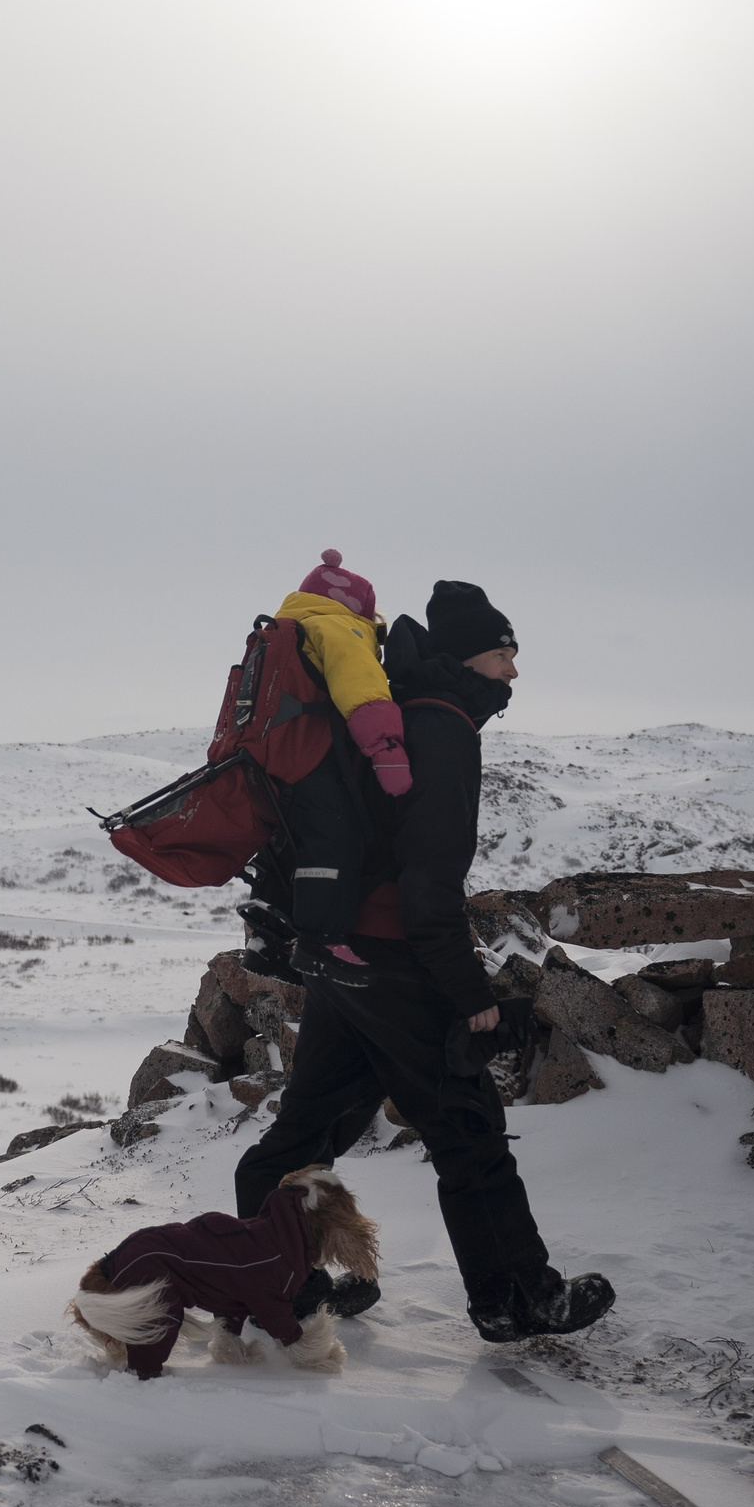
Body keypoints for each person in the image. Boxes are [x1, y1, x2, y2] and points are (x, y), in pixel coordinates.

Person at [235, 577, 616, 1345]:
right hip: (391, 960)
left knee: (305, 1131)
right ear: (472, 657)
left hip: (336, 956)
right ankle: (517, 1301)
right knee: (467, 1132)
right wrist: (469, 994)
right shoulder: (442, 729)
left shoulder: (390, 711)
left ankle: (275, 1283)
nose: (513, 671)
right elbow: (429, 887)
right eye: (506, 655)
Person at [249, 549, 411, 985]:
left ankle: (269, 935)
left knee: (288, 838)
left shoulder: (281, 630)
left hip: (267, 761)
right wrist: (389, 754)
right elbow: (364, 693)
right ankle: (323, 941)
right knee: (337, 835)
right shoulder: (339, 627)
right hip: (310, 757)